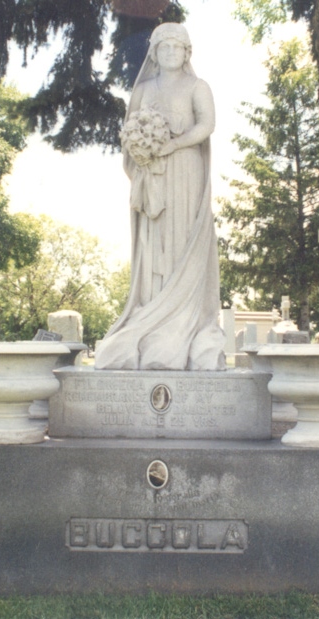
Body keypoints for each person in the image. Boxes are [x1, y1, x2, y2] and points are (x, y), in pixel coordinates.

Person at [95, 23, 225, 371]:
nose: (170, 52)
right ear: (154, 52)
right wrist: (143, 148)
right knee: (155, 243)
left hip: (185, 170)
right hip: (154, 173)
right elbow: (130, 130)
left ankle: (185, 324)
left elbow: (207, 125)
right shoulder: (144, 89)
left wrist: (174, 144)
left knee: (182, 239)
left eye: (176, 47)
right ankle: (152, 314)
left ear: (186, 53)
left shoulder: (198, 86)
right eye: (163, 47)